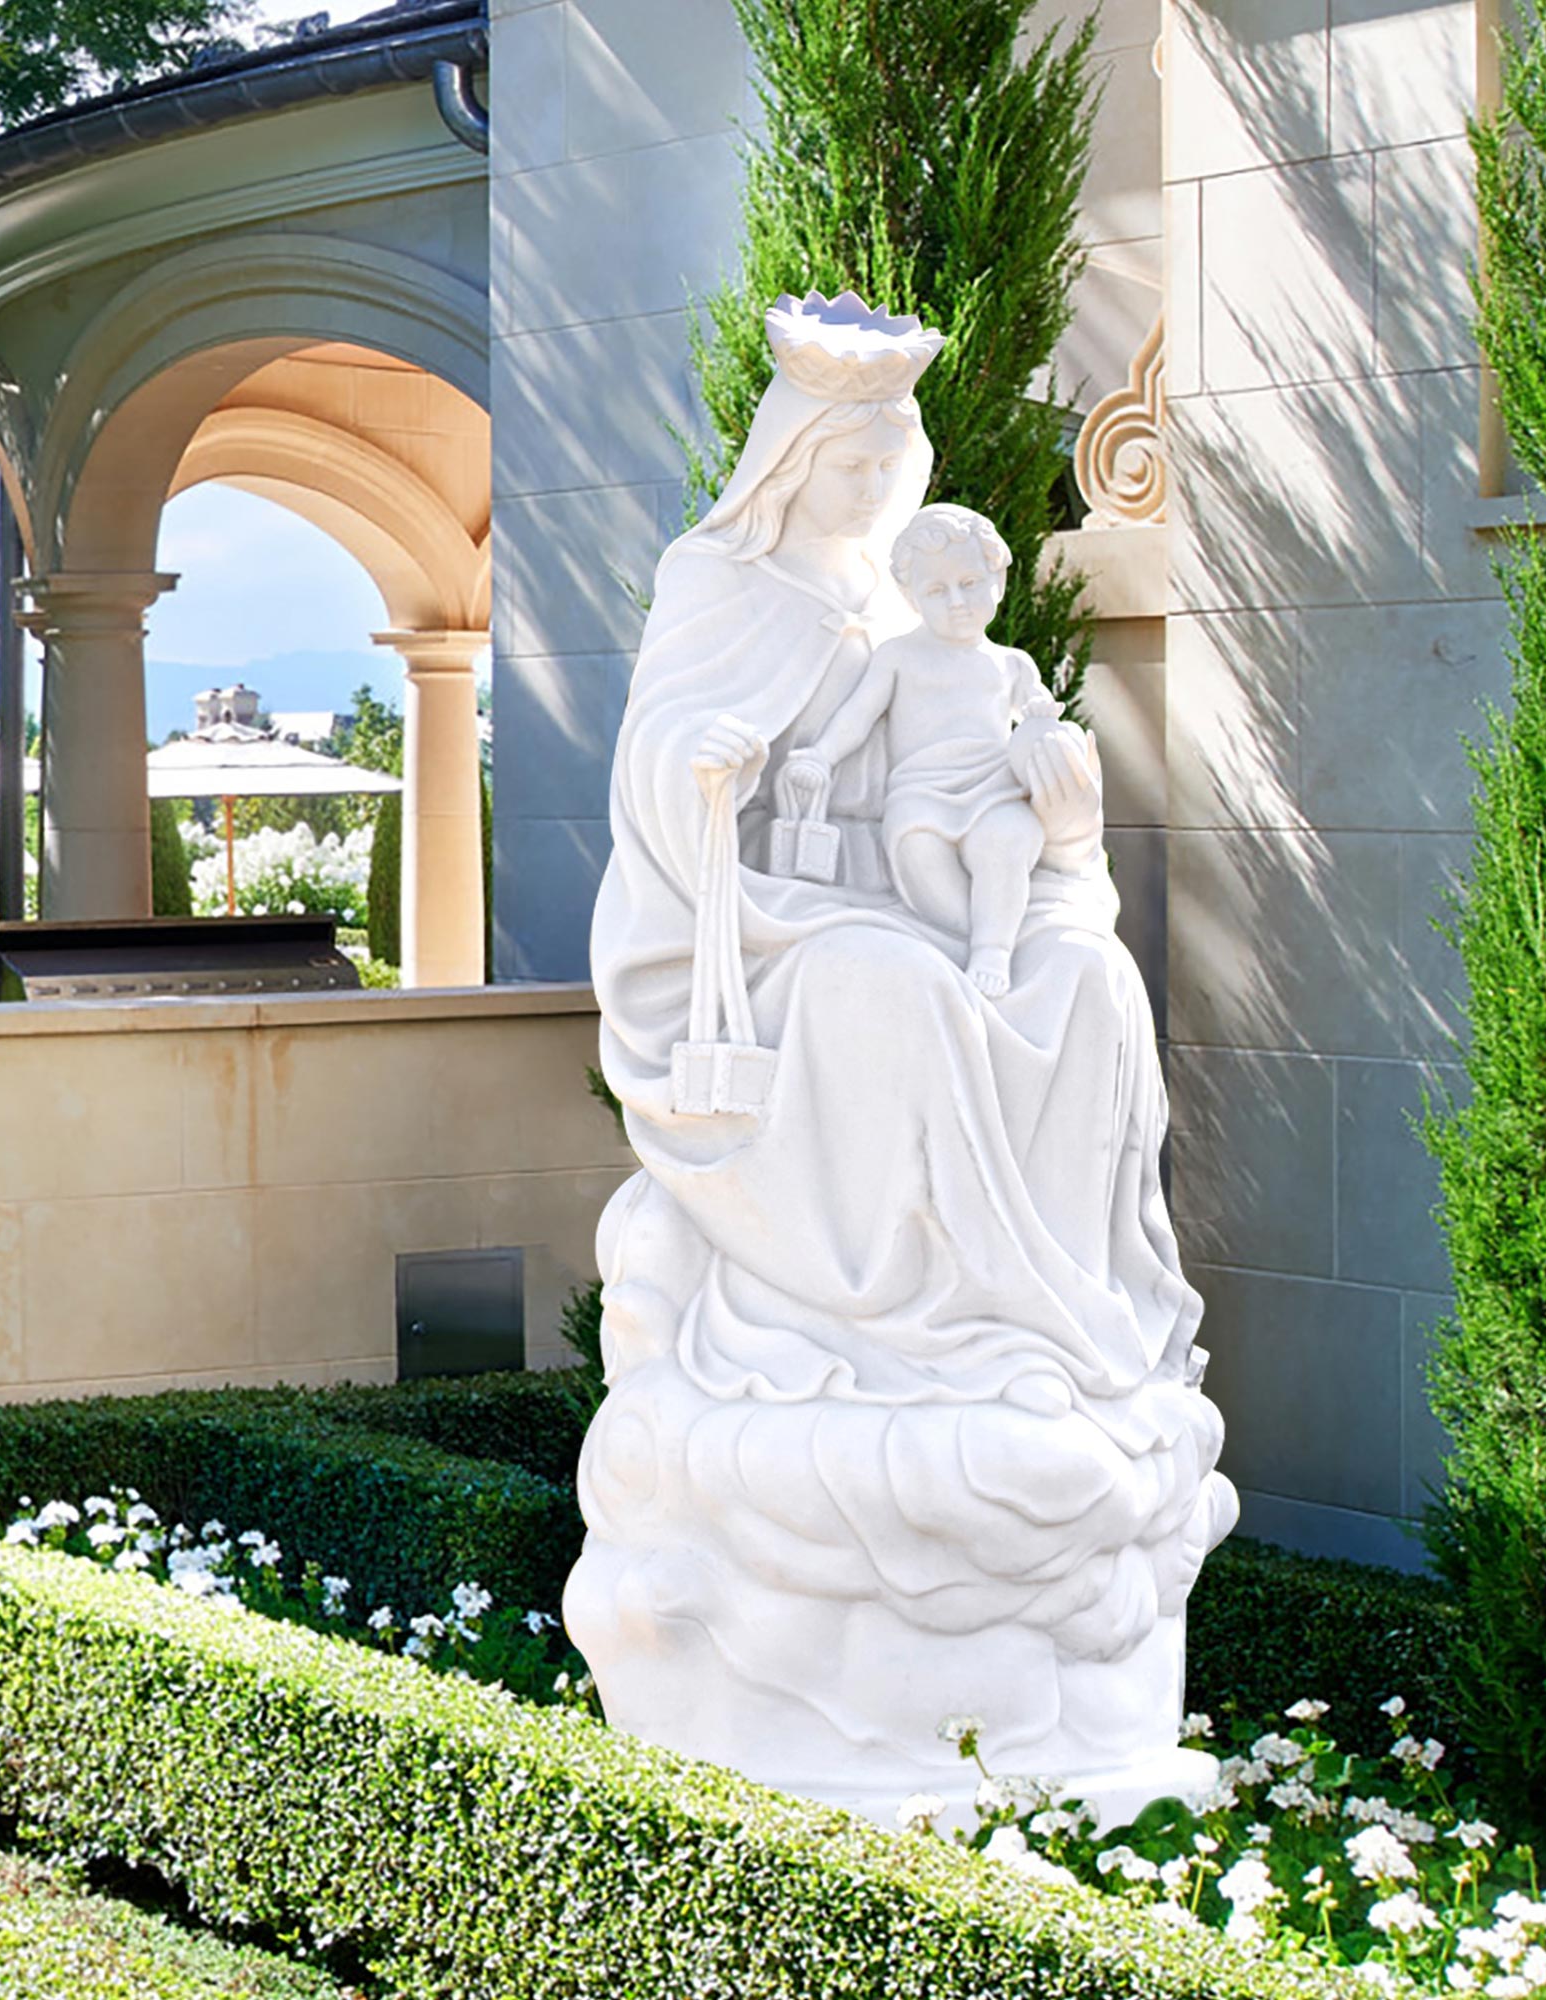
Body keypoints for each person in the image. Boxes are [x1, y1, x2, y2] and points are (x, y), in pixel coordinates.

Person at [566, 291, 1236, 1814]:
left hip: (926, 908)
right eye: (847, 473)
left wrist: (1067, 834)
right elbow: (665, 791)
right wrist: (711, 768)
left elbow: (1012, 775)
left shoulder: (930, 616)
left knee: (1092, 983)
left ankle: (1052, 1329)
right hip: (760, 937)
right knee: (893, 988)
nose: (874, 500)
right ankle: (903, 1299)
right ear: (790, 465)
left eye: (892, 473)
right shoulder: (720, 584)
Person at [783, 502, 1059, 996]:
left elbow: (1036, 710)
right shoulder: (899, 656)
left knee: (1009, 839)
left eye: (971, 583)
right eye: (937, 589)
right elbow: (857, 716)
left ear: (997, 580)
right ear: (911, 596)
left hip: (994, 789)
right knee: (919, 859)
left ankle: (993, 948)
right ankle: (968, 937)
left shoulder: (1011, 664)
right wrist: (821, 756)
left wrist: (1041, 714)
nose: (957, 601)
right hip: (922, 797)